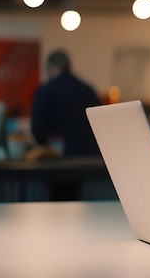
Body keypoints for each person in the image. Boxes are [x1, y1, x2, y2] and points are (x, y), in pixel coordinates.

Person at [31, 49, 101, 200]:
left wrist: (44, 149)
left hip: (55, 162)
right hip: (87, 163)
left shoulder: (45, 90)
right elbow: (100, 125)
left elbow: (37, 129)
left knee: (56, 203)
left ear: (50, 67)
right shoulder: (88, 90)